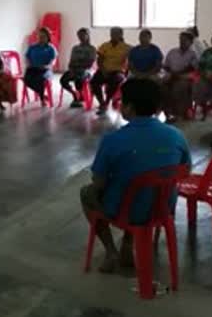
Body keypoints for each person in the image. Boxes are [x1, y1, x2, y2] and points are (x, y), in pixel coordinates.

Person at [79, 78, 191, 273]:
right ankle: (128, 244)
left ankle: (111, 251)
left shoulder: (113, 140)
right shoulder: (176, 135)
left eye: (122, 101)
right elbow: (185, 170)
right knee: (141, 187)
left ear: (129, 108)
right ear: (157, 108)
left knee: (88, 193)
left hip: (126, 210)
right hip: (163, 207)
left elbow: (98, 182)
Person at [91, 27, 131, 115]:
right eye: (112, 33)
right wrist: (103, 70)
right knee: (94, 82)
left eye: (116, 33)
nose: (113, 35)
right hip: (104, 70)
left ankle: (107, 101)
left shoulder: (127, 47)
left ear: (121, 35)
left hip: (118, 71)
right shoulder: (104, 46)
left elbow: (132, 60)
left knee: (114, 81)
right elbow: (99, 60)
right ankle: (101, 102)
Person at [162, 32, 198, 122]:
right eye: (181, 39)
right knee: (161, 87)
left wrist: (177, 74)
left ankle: (179, 113)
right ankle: (167, 113)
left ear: (191, 42)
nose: (182, 42)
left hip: (185, 77)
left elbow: (192, 68)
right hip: (171, 75)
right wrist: (170, 73)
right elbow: (166, 66)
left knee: (179, 87)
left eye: (185, 40)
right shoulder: (172, 52)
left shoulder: (193, 54)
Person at [60, 28, 97, 108]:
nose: (81, 37)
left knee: (79, 77)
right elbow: (71, 62)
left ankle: (79, 97)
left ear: (88, 36)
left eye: (83, 35)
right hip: (75, 69)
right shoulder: (75, 48)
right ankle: (75, 93)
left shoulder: (92, 49)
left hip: (87, 71)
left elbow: (89, 64)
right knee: (63, 80)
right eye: (79, 35)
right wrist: (72, 69)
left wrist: (79, 64)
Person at [24, 27, 57, 105]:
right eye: (39, 36)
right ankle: (41, 94)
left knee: (41, 80)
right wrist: (28, 64)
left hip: (45, 70)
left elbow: (53, 60)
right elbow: (27, 57)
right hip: (33, 68)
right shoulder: (32, 47)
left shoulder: (51, 48)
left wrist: (48, 66)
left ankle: (42, 99)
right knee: (26, 79)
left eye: (43, 36)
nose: (41, 38)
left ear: (48, 37)